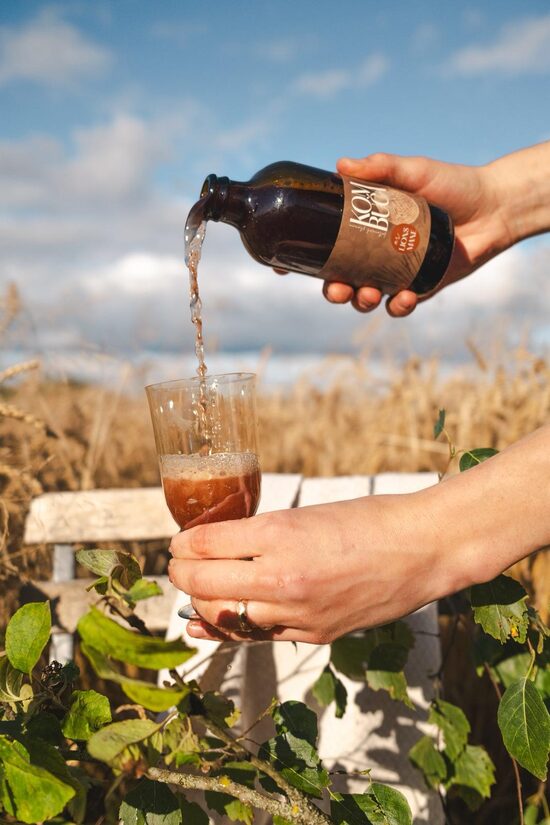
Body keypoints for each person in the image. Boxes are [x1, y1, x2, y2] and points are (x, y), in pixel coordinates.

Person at [168, 141, 550, 644]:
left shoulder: (272, 197)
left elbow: (427, 542)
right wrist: (497, 203)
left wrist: (425, 543)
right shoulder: (264, 220)